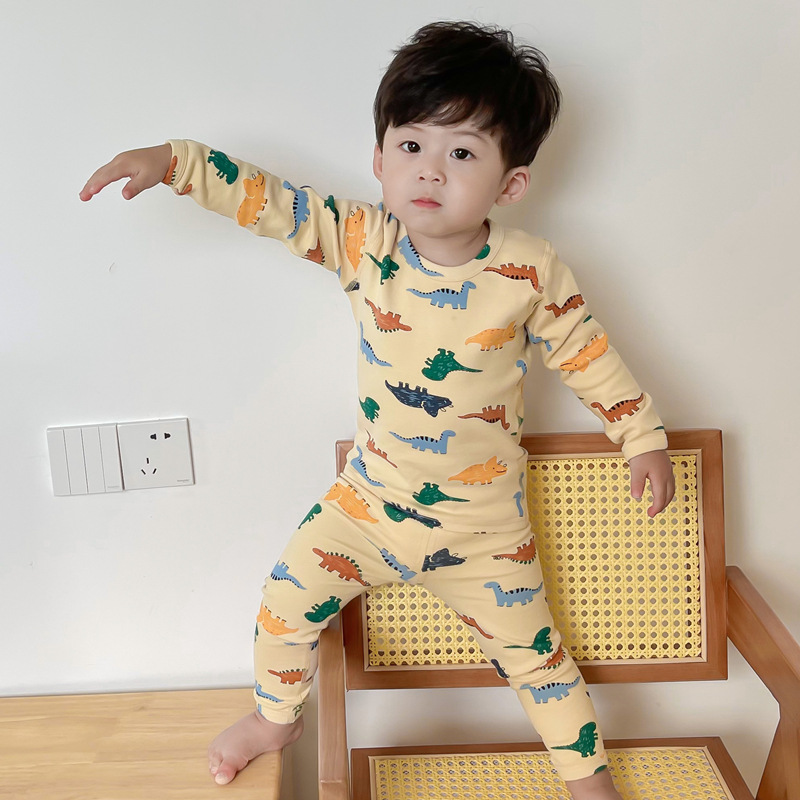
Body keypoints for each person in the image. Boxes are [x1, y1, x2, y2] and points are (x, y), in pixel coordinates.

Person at [81, 20, 675, 799]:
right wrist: (175, 163)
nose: (430, 170)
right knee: (284, 599)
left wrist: (640, 436)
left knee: (541, 663)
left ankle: (590, 781)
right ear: (380, 160)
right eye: (412, 145)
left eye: (462, 154)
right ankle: (274, 717)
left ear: (510, 184)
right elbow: (274, 203)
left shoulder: (530, 270)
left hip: (485, 532)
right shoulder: (366, 242)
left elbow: (586, 352)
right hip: (367, 507)